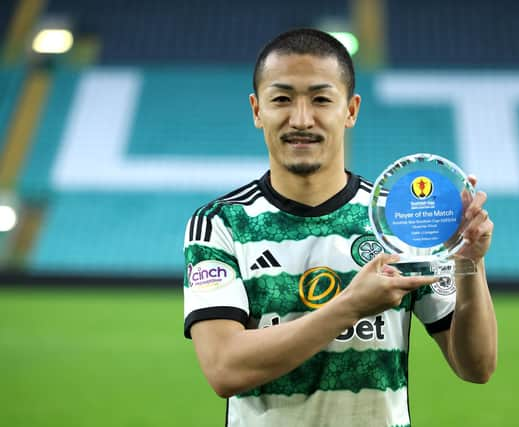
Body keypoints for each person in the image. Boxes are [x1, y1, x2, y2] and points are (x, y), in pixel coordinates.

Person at [183, 28, 497, 427]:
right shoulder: (220, 224)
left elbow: (477, 366)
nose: (301, 119)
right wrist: (353, 304)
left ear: (350, 110)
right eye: (281, 99)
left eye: (320, 99)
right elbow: (225, 368)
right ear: (256, 109)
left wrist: (471, 264)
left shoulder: (395, 219)